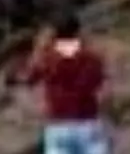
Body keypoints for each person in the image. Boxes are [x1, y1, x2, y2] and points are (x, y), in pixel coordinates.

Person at [18, 14, 110, 154]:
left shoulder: (47, 59)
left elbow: (27, 78)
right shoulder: (91, 58)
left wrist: (39, 47)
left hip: (58, 124)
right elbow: (101, 86)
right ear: (78, 31)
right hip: (87, 121)